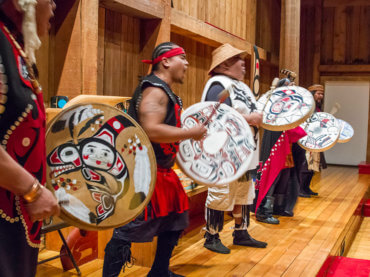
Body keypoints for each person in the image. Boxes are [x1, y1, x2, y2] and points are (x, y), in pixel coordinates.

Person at [102, 42, 207, 277]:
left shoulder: (164, 91)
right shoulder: (155, 90)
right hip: (144, 174)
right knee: (127, 230)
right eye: (183, 57)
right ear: (166, 61)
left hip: (161, 172)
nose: (187, 63)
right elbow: (151, 130)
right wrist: (192, 133)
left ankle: (159, 272)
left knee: (175, 221)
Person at [0, 0, 60, 276]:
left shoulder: (13, 46)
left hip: (15, 219)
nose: (54, 7)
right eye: (50, 0)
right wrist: (33, 190)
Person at [200, 43, 267, 254]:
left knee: (243, 193)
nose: (244, 63)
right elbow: (216, 114)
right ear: (226, 64)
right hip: (225, 152)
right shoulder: (217, 84)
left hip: (245, 151)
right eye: (239, 59)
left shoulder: (240, 86)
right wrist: (251, 118)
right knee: (221, 192)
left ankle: (241, 231)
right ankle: (211, 235)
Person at [254, 78, 306, 224]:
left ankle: (278, 208)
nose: (292, 88)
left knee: (284, 178)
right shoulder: (276, 105)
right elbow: (293, 130)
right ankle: (264, 211)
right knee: (273, 176)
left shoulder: (290, 106)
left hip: (286, 149)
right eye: (289, 86)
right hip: (277, 146)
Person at [298, 84, 326, 197]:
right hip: (306, 139)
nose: (321, 96)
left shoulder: (318, 108)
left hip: (316, 140)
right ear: (312, 94)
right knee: (306, 165)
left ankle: (306, 188)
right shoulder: (306, 107)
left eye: (322, 94)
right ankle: (300, 189)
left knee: (314, 166)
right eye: (318, 94)